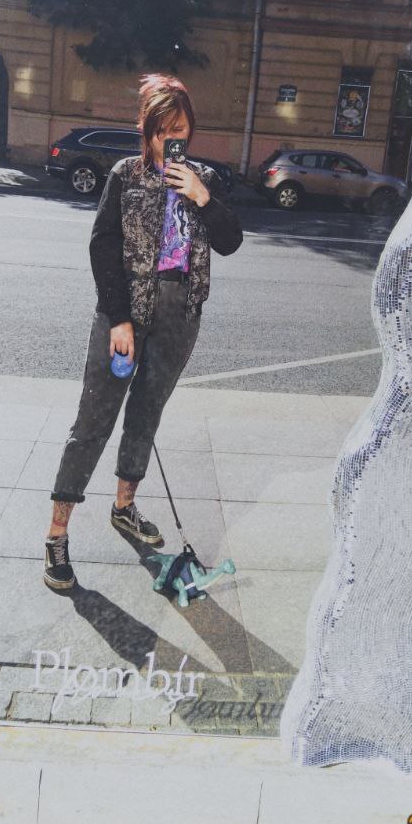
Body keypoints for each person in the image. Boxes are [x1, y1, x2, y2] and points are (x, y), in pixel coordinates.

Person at [43, 73, 243, 590]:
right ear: (146, 129)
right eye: (162, 130)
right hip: (126, 313)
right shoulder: (125, 175)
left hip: (181, 315)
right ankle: (57, 534)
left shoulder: (202, 179)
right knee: (93, 420)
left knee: (146, 414)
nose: (171, 139)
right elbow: (102, 246)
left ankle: (124, 506)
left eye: (180, 129)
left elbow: (231, 241)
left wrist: (202, 197)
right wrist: (119, 319)